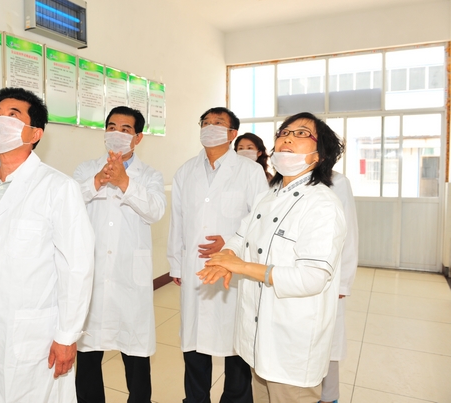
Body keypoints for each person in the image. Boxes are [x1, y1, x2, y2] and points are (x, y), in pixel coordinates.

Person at [0, 87, 95, 403]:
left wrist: (67, 336)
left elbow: (77, 267)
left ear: (35, 133)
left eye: (12, 115)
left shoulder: (59, 188)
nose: (0, 120)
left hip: (33, 333)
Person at [197, 112, 347, 403]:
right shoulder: (269, 196)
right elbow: (241, 236)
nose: (288, 138)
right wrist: (227, 256)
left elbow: (312, 278)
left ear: (320, 154)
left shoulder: (322, 204)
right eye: (284, 133)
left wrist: (243, 267)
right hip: (258, 339)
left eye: (302, 133)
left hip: (292, 345)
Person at [168, 107, 268, 403]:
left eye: (218, 123)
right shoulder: (186, 171)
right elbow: (177, 220)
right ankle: (195, 399)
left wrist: (232, 241)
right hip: (195, 267)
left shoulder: (250, 171)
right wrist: (176, 264)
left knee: (235, 344)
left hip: (233, 270)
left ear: (232, 133)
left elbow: (261, 220)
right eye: (206, 123)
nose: (210, 127)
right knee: (194, 343)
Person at [73, 106, 166, 403]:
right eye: (111, 127)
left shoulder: (149, 175)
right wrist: (98, 181)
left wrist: (125, 181)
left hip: (130, 277)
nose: (117, 133)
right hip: (93, 273)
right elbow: (69, 206)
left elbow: (155, 211)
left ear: (138, 138)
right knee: (88, 353)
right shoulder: (86, 170)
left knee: (135, 352)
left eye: (125, 129)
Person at [320, 172, 359, 403]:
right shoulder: (280, 181)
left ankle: (328, 398)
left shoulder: (337, 182)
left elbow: (349, 233)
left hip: (328, 278)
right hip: (290, 279)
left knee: (328, 343)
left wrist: (344, 281)